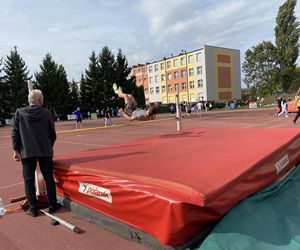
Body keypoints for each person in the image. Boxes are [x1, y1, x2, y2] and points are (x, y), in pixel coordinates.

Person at [11, 90, 61, 217]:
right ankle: (52, 204)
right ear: (40, 100)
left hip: (27, 151)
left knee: (28, 180)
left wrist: (16, 151)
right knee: (48, 177)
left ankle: (33, 208)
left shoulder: (19, 113)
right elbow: (52, 134)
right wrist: (48, 146)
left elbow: (15, 133)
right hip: (45, 150)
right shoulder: (47, 113)